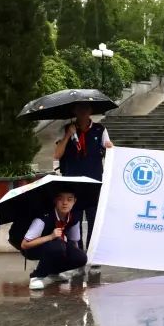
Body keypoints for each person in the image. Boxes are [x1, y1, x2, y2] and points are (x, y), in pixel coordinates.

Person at [53, 102, 113, 266]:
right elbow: (57, 154)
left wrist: (110, 148)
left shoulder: (100, 129)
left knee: (94, 220)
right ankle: (77, 255)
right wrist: (68, 135)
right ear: (74, 111)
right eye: (79, 109)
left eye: (86, 108)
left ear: (91, 111)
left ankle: (93, 256)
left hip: (94, 183)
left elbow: (109, 150)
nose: (83, 112)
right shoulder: (66, 129)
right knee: (74, 221)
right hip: (72, 184)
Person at [20, 188, 88, 290]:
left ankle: (54, 272)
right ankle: (36, 276)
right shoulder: (44, 218)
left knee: (81, 258)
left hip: (56, 246)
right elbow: (24, 245)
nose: (65, 203)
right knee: (58, 246)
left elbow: (74, 242)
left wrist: (75, 257)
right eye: (61, 199)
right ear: (55, 200)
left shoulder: (73, 217)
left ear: (75, 201)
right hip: (33, 249)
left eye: (69, 199)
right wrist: (50, 236)